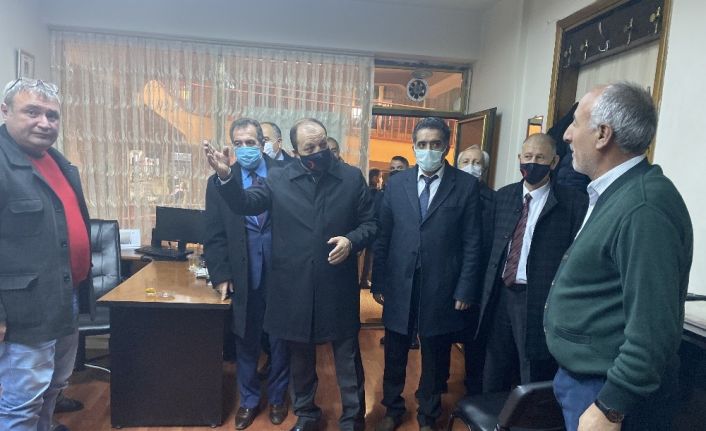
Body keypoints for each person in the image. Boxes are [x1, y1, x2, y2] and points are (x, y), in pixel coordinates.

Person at [204, 118, 376, 431]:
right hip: (294, 286)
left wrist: (351, 241)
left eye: (322, 143)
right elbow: (246, 203)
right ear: (296, 152)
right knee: (300, 358)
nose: (319, 151)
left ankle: (353, 420)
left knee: (347, 358)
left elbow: (371, 223)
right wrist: (227, 176)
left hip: (337, 285)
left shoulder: (351, 177)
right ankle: (307, 414)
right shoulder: (278, 179)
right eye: (310, 148)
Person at [545, 82, 693, 431]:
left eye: (575, 123)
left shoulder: (644, 207)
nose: (566, 134)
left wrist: (611, 406)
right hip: (587, 382)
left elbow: (654, 329)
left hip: (607, 393)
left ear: (602, 134)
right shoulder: (615, 194)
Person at [371, 117, 482, 431]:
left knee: (435, 353)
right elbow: (383, 235)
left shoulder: (465, 185)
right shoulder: (397, 184)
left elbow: (472, 242)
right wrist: (378, 280)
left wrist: (465, 288)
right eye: (422, 144)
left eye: (435, 144)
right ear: (414, 146)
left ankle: (428, 415)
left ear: (446, 146)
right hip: (400, 282)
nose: (428, 150)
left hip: (442, 285)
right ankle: (393, 408)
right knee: (395, 351)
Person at [0, 78, 94, 431]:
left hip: (65, 296)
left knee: (54, 385)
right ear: (5, 111)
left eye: (52, 116)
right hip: (23, 309)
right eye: (32, 112)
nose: (44, 122)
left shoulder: (55, 160)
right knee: (22, 400)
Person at [477, 133, 587, 393]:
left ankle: (529, 414)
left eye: (540, 158)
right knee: (494, 362)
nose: (532, 163)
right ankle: (493, 411)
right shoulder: (503, 197)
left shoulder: (572, 202)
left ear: (554, 162)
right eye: (527, 157)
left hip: (537, 298)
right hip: (500, 294)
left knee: (532, 367)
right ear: (519, 158)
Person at [203, 118, 289, 429]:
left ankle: (278, 398)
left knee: (280, 339)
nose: (244, 148)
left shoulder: (284, 174)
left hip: (282, 272)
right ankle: (249, 400)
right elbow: (214, 233)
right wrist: (221, 274)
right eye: (238, 143)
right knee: (245, 337)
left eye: (250, 142)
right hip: (243, 271)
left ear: (263, 143)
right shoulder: (220, 179)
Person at [455, 145, 497, 395]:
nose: (471, 166)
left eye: (477, 162)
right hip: (448, 280)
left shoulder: (495, 200)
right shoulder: (447, 196)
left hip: (480, 282)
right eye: (466, 161)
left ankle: (473, 389)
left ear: (485, 168)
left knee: (474, 340)